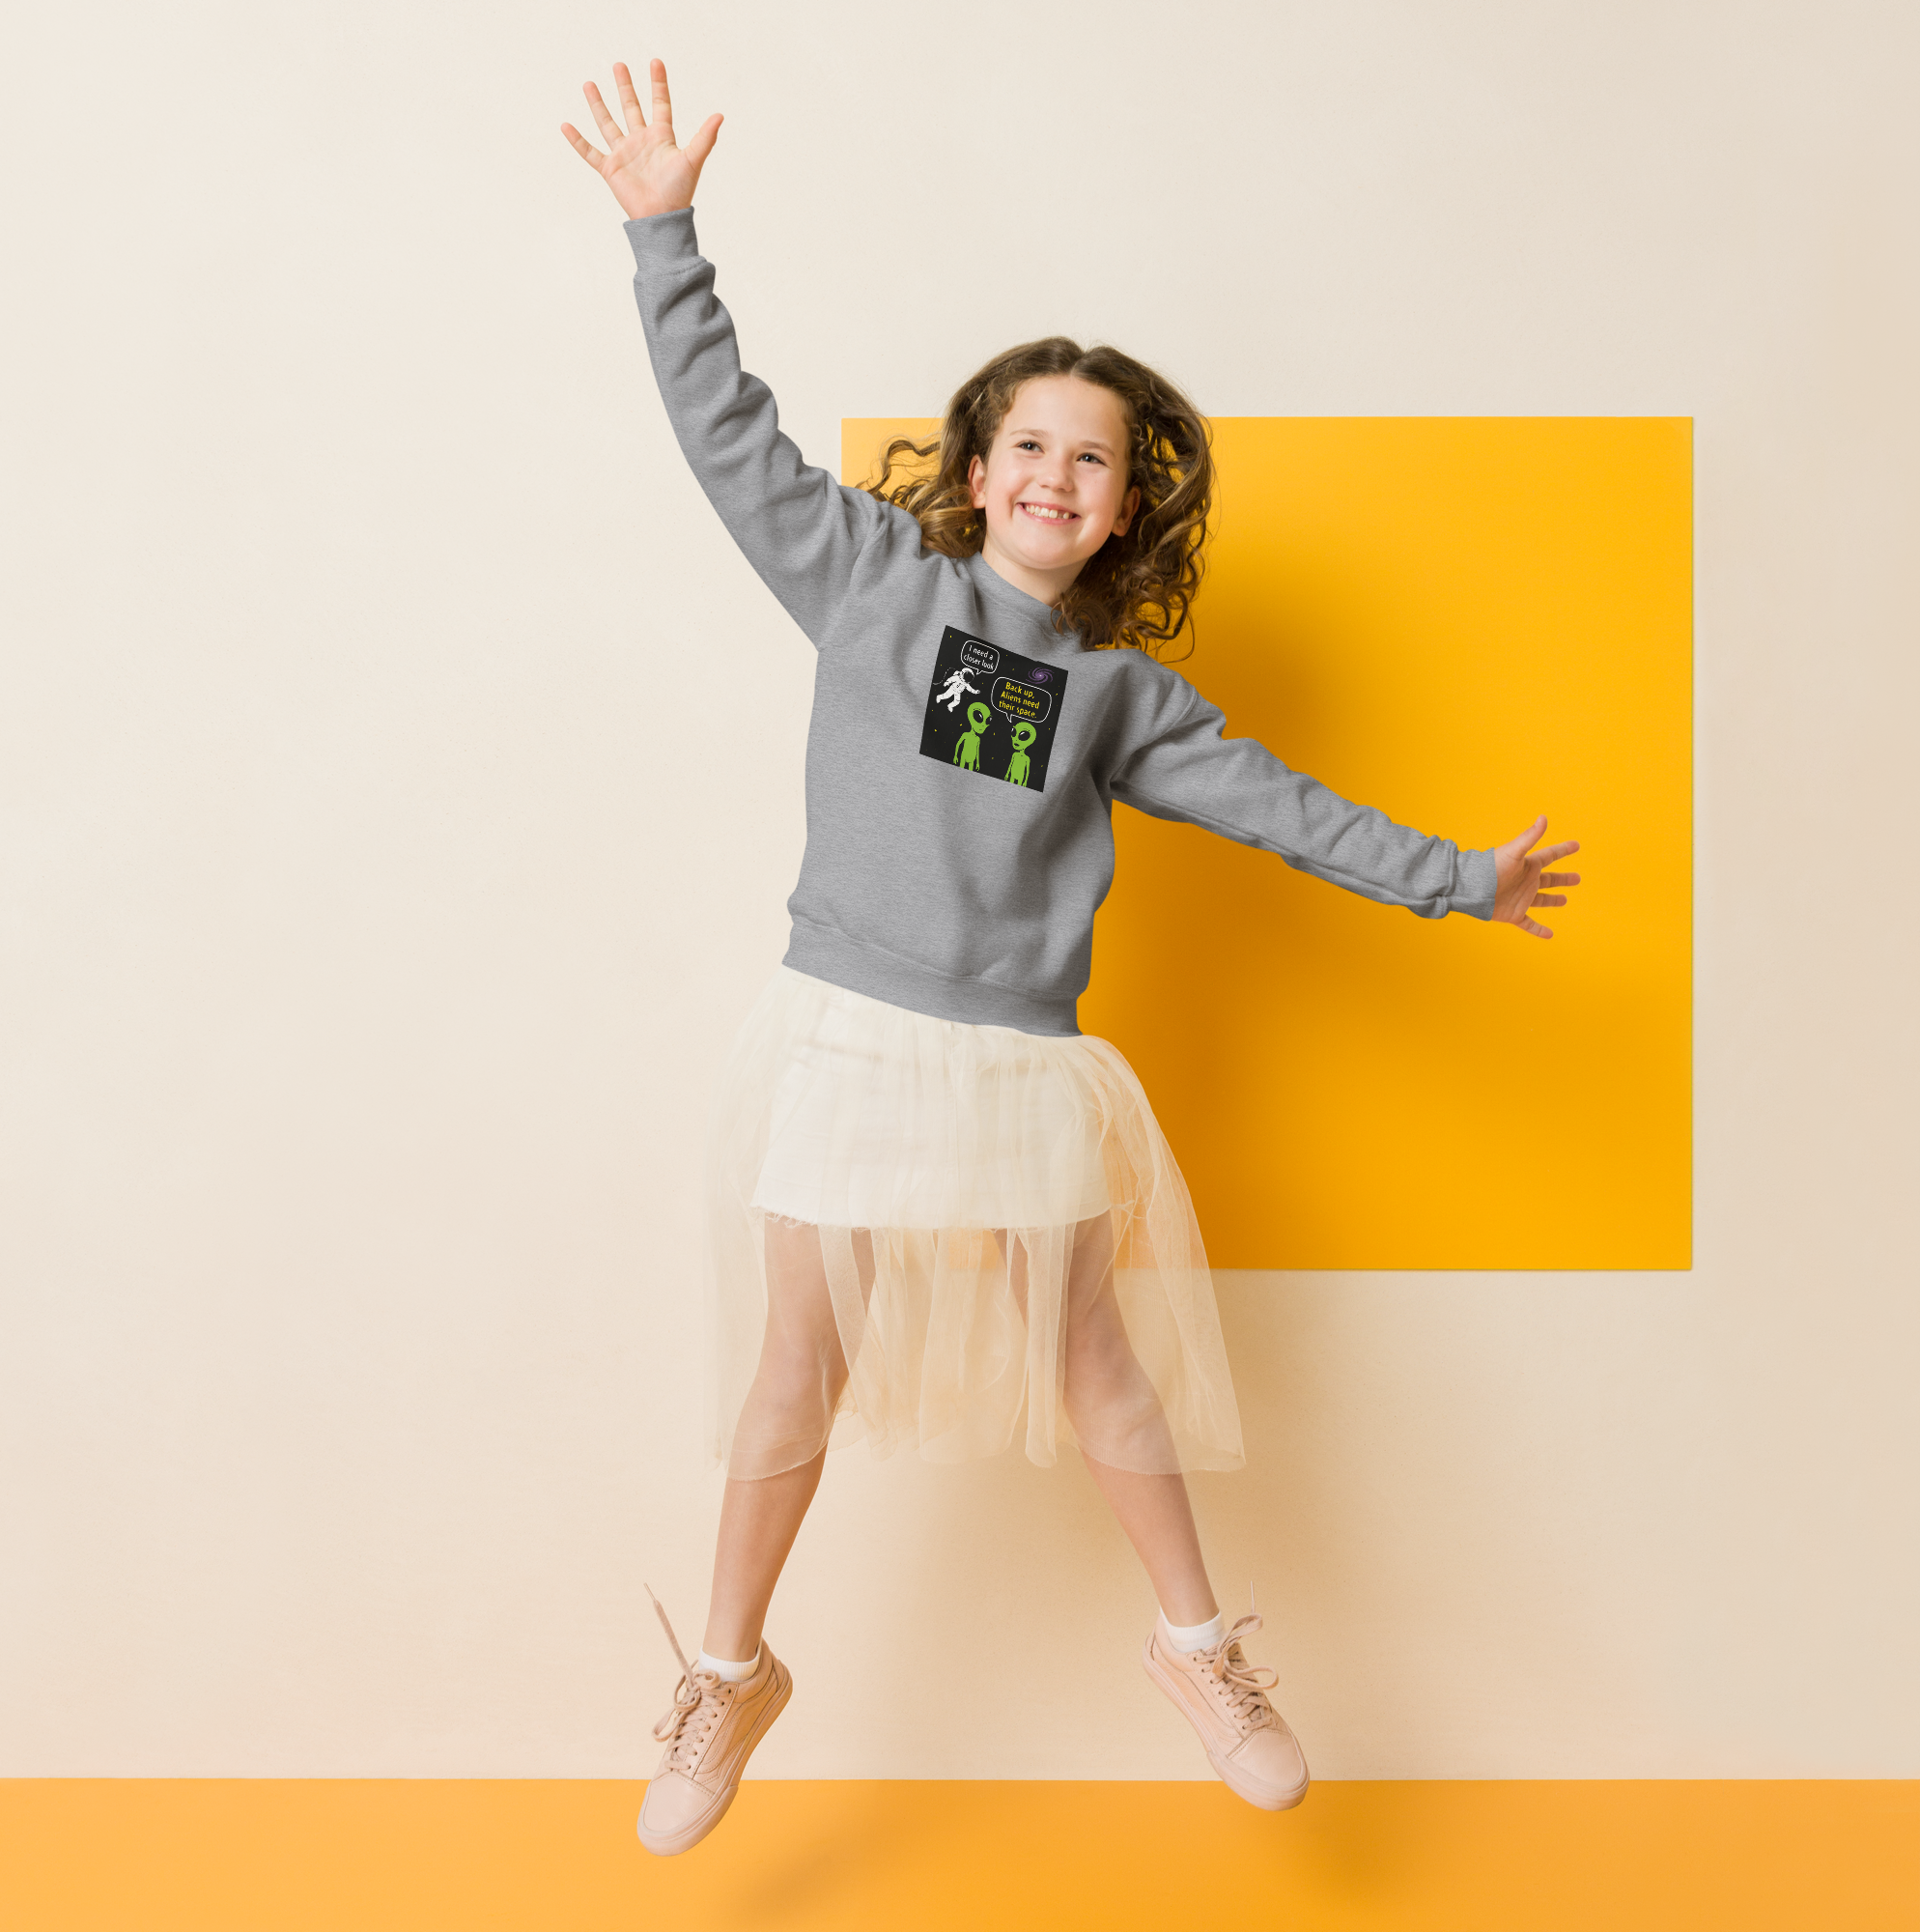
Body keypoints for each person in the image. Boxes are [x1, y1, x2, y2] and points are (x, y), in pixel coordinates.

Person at [560, 58, 1582, 1858]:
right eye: (1025, 441)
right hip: (851, 1035)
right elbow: (728, 434)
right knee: (799, 1359)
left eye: (1090, 456)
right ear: (974, 474)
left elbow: (1283, 806)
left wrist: (1452, 881)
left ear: (1123, 510)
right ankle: (727, 1673)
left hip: (1019, 1056)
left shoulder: (1118, 699)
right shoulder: (870, 582)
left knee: (1097, 1353)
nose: (1054, 470)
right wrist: (667, 237)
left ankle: (1199, 1652)